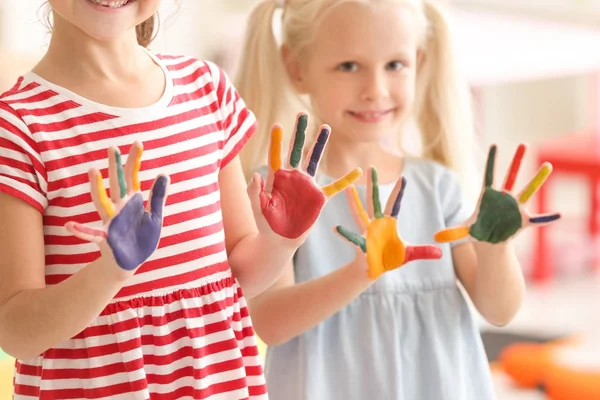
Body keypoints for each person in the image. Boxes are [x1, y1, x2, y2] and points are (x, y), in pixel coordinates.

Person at [0, 1, 359, 398]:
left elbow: (240, 276)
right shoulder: (17, 126)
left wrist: (281, 242)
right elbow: (16, 333)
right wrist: (110, 272)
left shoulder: (206, 88)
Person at [236, 0, 561, 398]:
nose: (376, 90)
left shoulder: (436, 186)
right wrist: (360, 274)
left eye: (395, 65)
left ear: (419, 61)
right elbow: (270, 322)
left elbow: (499, 310)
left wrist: (495, 251)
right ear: (297, 67)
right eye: (349, 66)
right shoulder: (280, 198)